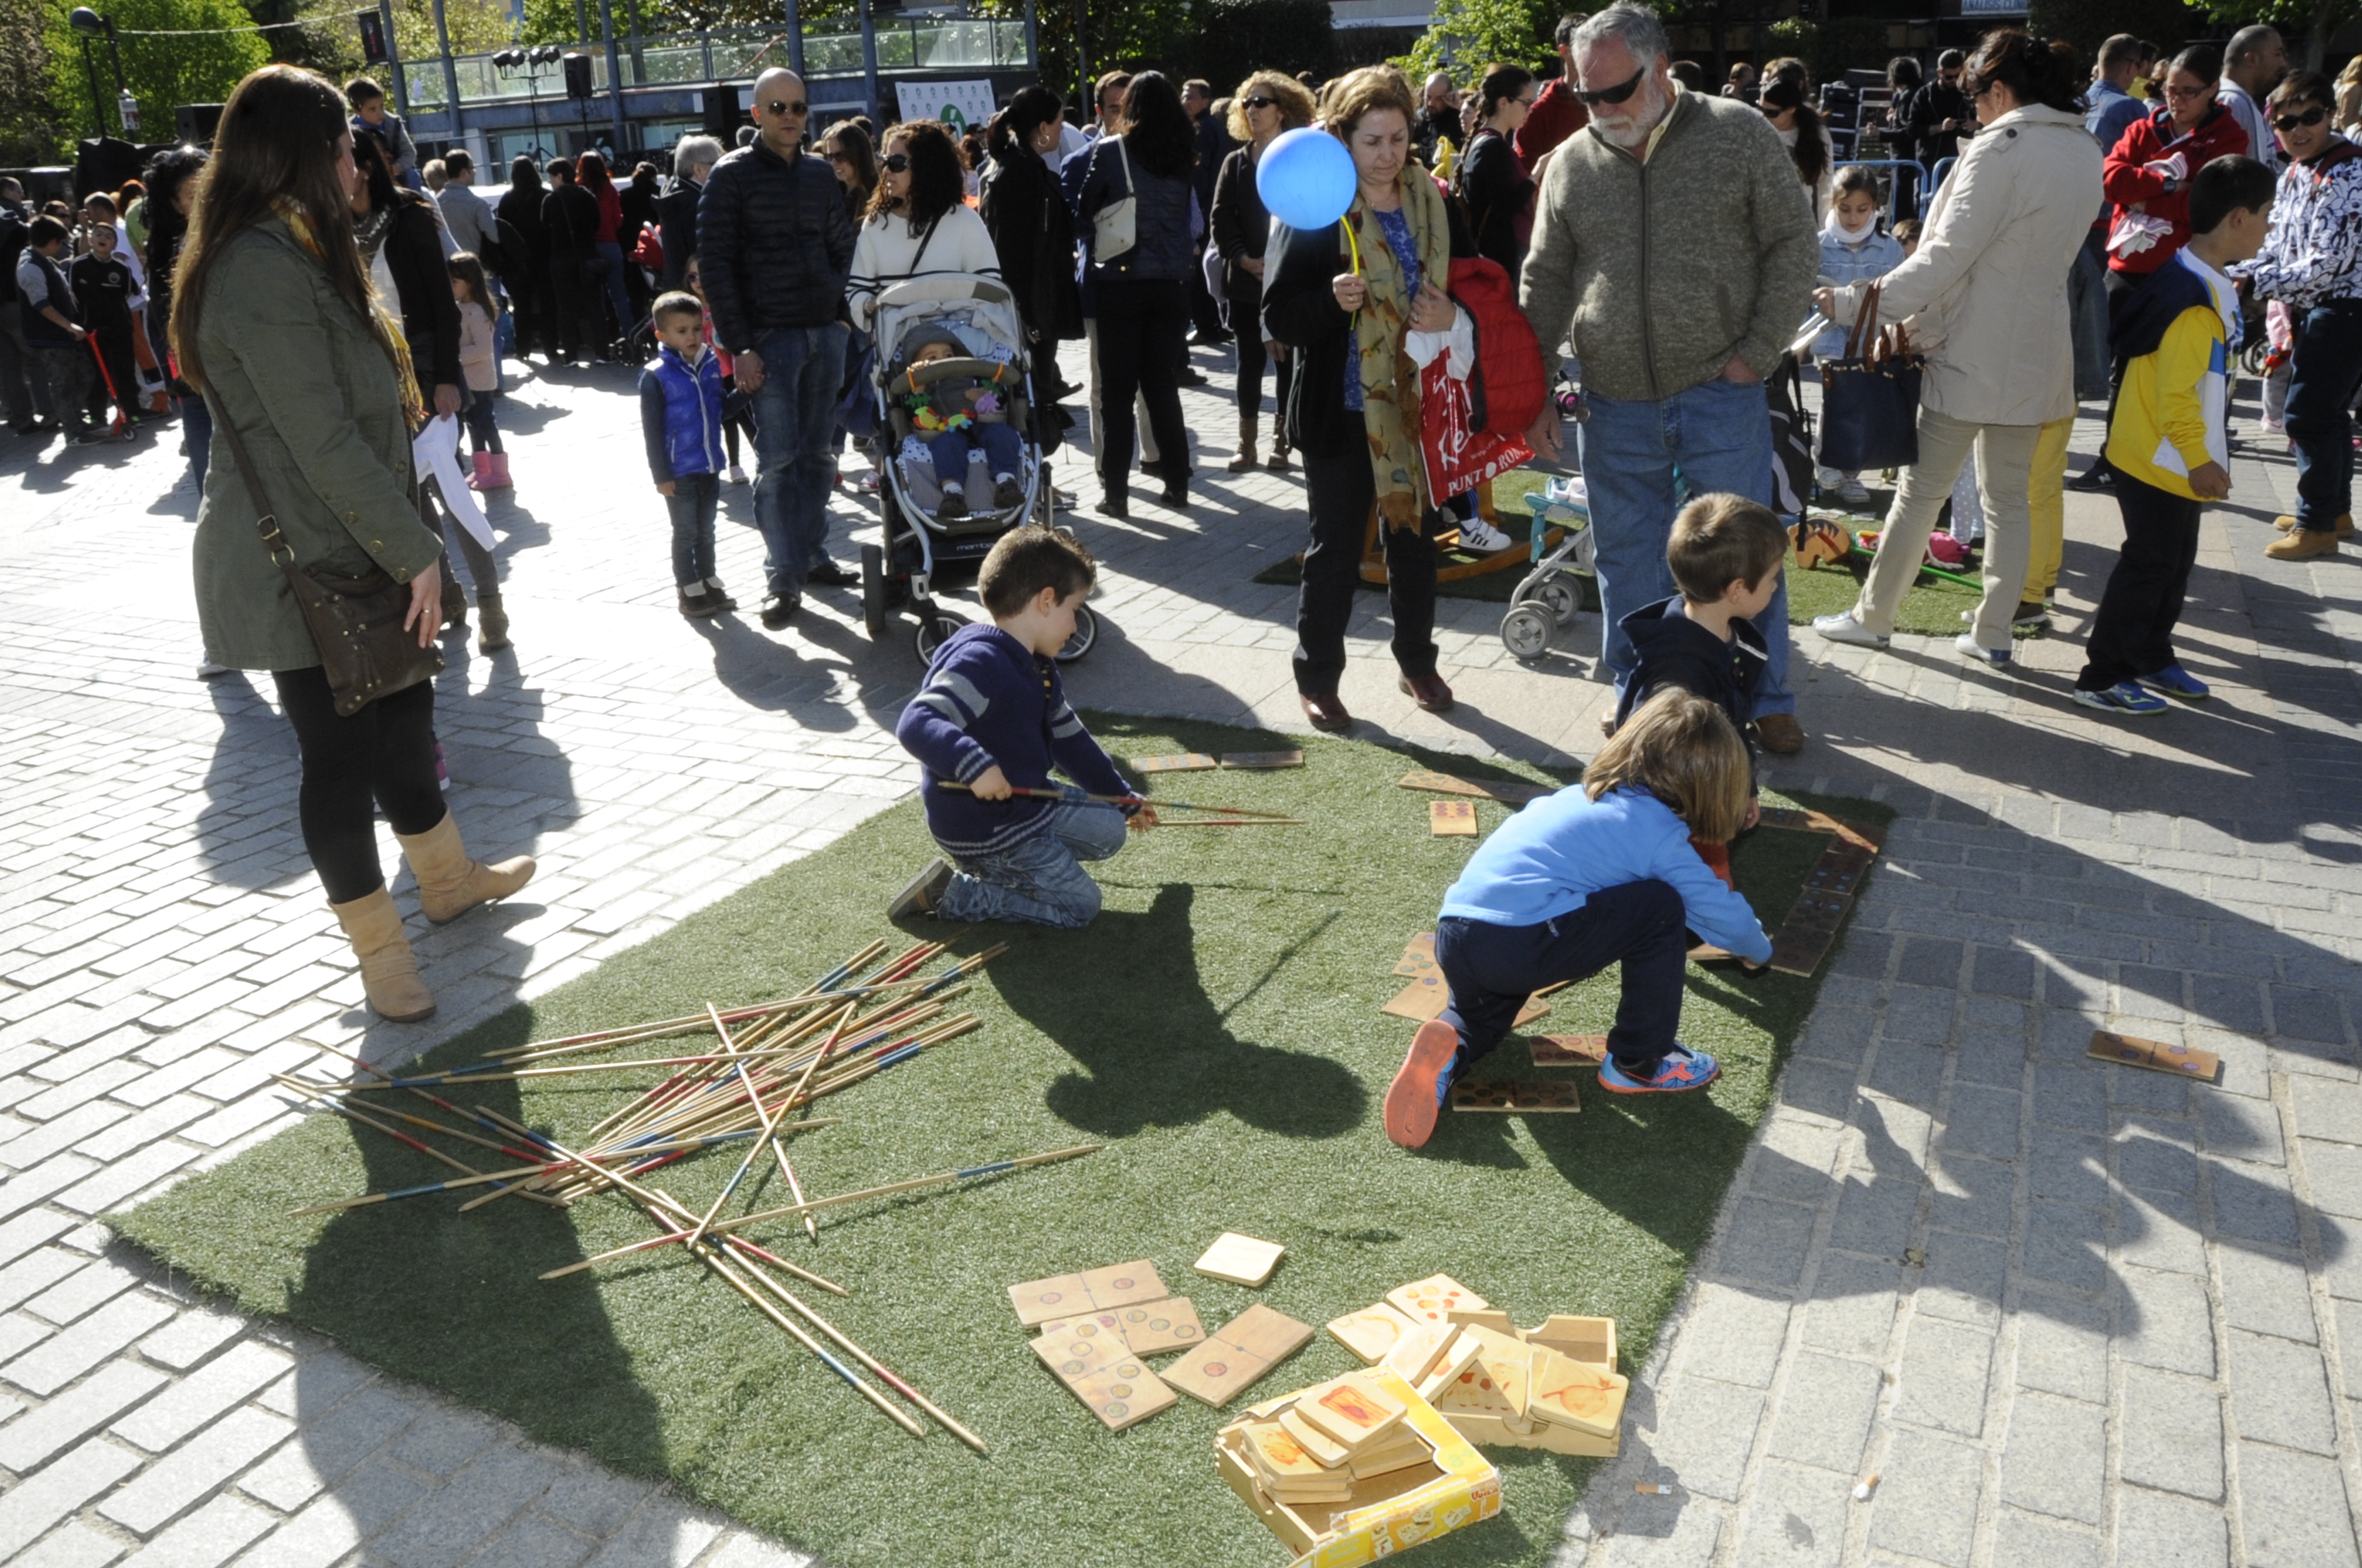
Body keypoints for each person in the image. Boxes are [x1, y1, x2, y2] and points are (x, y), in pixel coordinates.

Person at [178, 65, 534, 1022]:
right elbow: (320, 438)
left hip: (360, 537)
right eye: (344, 150)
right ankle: (382, 958)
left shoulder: (299, 245)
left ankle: (447, 880)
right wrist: (415, 548)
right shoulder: (257, 266)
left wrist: (403, 538)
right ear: (299, 156)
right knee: (338, 759)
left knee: (407, 723)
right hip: (297, 562)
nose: (357, 168)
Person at [1520, 3, 1817, 753]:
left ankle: (1766, 697)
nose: (1599, 108)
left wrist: (1757, 351)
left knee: (1746, 554)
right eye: (1584, 93)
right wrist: (1535, 387)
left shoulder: (1736, 131)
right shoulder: (1572, 161)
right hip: (1611, 397)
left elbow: (1792, 242)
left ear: (1659, 69)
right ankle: (1640, 693)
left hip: (1722, 390)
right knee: (1626, 556)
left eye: (1614, 91)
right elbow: (1545, 277)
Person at [1811, 30, 2101, 667]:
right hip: (2038, 346)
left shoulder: (2003, 148)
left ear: (1999, 90)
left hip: (1972, 346)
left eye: (1977, 97)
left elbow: (1945, 256)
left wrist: (1859, 302)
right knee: (2008, 498)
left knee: (1922, 493)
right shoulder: (2082, 147)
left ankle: (1874, 617)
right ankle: (1994, 632)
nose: (1974, 111)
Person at [1381, 689, 1767, 1148]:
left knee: (1483, 1016)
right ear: (1713, 786)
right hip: (1520, 942)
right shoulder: (1658, 835)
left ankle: (1450, 1046)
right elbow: (1719, 911)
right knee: (1660, 906)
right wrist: (1759, 950)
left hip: (1458, 931)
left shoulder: (1571, 797)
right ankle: (1638, 1062)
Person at [1263, 65, 1472, 732]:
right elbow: (1278, 314)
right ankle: (1318, 678)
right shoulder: (1317, 203)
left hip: (1418, 401)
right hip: (1342, 408)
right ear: (1342, 140)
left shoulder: (1432, 197)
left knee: (1414, 541)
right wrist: (1330, 302)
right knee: (1334, 550)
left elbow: (1474, 282)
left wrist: (1455, 314)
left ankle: (1417, 662)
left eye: (1398, 138)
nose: (1387, 155)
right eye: (1372, 141)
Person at [2073, 156, 2274, 713]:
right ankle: (2101, 677)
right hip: (2160, 456)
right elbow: (2176, 396)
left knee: (2173, 562)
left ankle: (2150, 655)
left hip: (2168, 454)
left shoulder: (2198, 275)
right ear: (2238, 218)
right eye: (2266, 214)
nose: (2269, 226)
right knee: (2150, 564)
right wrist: (2200, 459)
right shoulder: (2193, 298)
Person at [888, 526, 1153, 927]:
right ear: (1046, 601)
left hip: (1029, 805)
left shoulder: (1037, 664)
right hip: (987, 831)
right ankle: (957, 893)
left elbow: (1070, 739)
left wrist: (1122, 797)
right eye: (1074, 609)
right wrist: (973, 765)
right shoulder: (981, 663)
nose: (1075, 626)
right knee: (1080, 906)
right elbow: (917, 721)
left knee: (1110, 829)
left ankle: (1029, 866)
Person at [699, 67, 857, 629]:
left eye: (798, 107)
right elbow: (715, 266)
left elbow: (842, 245)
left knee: (819, 457)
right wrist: (740, 345)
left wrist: (840, 316)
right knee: (778, 461)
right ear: (756, 114)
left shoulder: (818, 174)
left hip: (824, 333)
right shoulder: (730, 175)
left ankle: (812, 555)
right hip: (769, 340)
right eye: (778, 107)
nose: (790, 116)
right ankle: (783, 578)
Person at [1610, 496, 1784, 893]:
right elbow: (1664, 760)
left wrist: (1744, 787)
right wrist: (1714, 806)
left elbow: (1734, 724)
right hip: (1681, 800)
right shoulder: (1679, 671)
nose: (1776, 585)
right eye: (1773, 577)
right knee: (1705, 879)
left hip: (1704, 787)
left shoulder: (1723, 637)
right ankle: (1708, 917)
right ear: (1737, 589)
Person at [2242, 72, 2362, 561]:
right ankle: (2334, 512)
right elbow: (2277, 242)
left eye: (2310, 117)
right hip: (2317, 305)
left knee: (2308, 414)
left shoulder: (2348, 171)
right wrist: (2239, 268)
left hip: (2346, 305)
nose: (2299, 130)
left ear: (2331, 114)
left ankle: (2316, 525)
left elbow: (2329, 262)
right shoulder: (2294, 171)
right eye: (2286, 122)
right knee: (2328, 413)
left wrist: (2256, 281)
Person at [1072, 70, 1200, 518]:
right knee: (1162, 385)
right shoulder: (1183, 153)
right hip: (1172, 282)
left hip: (1120, 282)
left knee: (1117, 393)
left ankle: (1116, 494)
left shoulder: (1112, 150)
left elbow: (1083, 212)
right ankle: (1178, 483)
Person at [1212, 71, 1317, 472]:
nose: (1252, 110)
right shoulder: (1235, 163)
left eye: (1261, 102)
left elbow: (1309, 217)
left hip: (1288, 282)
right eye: (1247, 103)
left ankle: (1282, 441)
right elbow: (1221, 219)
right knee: (1248, 365)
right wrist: (1243, 259)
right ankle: (1246, 444)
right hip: (1245, 282)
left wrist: (1282, 264)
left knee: (1286, 363)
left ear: (1283, 110)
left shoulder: (1297, 158)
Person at [2102, 48, 2248, 293]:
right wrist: (2168, 185)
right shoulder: (2141, 130)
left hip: (2185, 273)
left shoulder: (2229, 138)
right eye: (2170, 90)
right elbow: (2110, 181)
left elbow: (2208, 205)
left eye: (2189, 92)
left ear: (2212, 88)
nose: (2176, 100)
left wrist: (2143, 202)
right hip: (2124, 269)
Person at [848, 119, 1003, 328]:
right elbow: (857, 290)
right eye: (884, 161)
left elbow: (991, 291)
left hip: (957, 343)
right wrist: (872, 305)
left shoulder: (964, 221)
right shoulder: (876, 223)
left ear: (925, 166)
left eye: (896, 162)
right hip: (899, 344)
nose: (886, 171)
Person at [1811, 167, 1906, 506]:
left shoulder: (1889, 249)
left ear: (1875, 208)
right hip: (1830, 338)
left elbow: (1898, 297)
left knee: (1863, 404)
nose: (1853, 218)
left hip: (1871, 341)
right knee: (1835, 399)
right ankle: (1826, 465)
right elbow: (1805, 295)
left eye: (1861, 209)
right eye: (1845, 209)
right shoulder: (1819, 244)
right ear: (1832, 205)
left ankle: (1850, 472)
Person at [641, 290, 739, 616]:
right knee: (686, 532)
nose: (692, 336)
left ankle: (708, 579)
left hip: (709, 464)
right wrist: (661, 475)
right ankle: (687, 588)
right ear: (662, 336)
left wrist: (746, 392)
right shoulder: (656, 375)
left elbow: (721, 411)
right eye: (682, 331)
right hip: (678, 470)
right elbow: (652, 431)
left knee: (706, 530)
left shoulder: (710, 364)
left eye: (697, 328)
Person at [980, 87, 1082, 388]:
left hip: (1035, 300)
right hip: (1031, 303)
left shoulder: (1022, 166)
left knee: (1037, 386)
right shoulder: (1020, 172)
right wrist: (1024, 312)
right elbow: (1012, 248)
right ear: (1043, 128)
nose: (1062, 128)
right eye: (1059, 122)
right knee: (1032, 391)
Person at [891, 327, 1026, 517]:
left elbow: (999, 396)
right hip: (942, 431)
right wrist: (918, 388)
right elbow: (914, 412)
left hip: (978, 422)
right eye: (932, 357)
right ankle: (953, 494)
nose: (943, 361)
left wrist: (985, 394)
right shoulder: (919, 384)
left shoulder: (971, 374)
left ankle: (1006, 483)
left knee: (1003, 434)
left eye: (948, 355)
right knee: (947, 445)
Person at [141, 147, 210, 481]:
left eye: (212, 186)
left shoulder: (243, 233)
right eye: (194, 193)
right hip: (198, 376)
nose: (206, 199)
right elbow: (164, 315)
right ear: (175, 203)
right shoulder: (167, 249)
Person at [16, 216, 102, 445]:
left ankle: (77, 420)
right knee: (62, 385)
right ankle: (73, 432)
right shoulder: (30, 266)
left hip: (63, 335)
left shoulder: (44, 261)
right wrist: (68, 325)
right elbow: (41, 304)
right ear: (53, 241)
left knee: (85, 375)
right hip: (51, 337)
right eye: (60, 242)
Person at [1457, 64, 1539, 280]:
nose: (1530, 110)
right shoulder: (1494, 147)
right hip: (1499, 258)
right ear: (1503, 103)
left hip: (1492, 255)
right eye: (1526, 103)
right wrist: (1536, 175)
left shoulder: (1484, 140)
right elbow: (1504, 210)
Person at [70, 221, 139, 429]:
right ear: (91, 239)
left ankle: (131, 414)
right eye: (98, 234)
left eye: (109, 237)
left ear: (115, 245)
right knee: (97, 374)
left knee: (125, 371)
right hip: (92, 330)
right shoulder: (78, 266)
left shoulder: (121, 269)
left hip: (120, 327)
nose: (103, 239)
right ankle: (97, 417)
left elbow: (129, 293)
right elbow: (73, 296)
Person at [1183, 77, 1233, 348]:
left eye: (1191, 96)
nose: (1185, 101)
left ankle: (1207, 326)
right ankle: (1215, 324)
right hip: (1207, 207)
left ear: (1205, 101)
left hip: (1201, 209)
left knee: (1200, 272)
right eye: (1183, 95)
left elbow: (1200, 175)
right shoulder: (1210, 126)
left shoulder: (1203, 129)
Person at [451, 250, 507, 492]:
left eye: (454, 281)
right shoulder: (460, 308)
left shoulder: (478, 312)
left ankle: (500, 472)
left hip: (480, 380)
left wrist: (455, 357)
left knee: (486, 423)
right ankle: (481, 470)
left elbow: (483, 348)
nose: (450, 286)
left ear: (470, 282)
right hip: (467, 380)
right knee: (473, 424)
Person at [541, 159, 602, 364]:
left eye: (551, 177)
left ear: (559, 177)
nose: (550, 182)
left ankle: (571, 355)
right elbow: (596, 224)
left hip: (561, 257)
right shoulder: (587, 196)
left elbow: (545, 227)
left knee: (566, 308)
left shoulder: (550, 200)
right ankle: (602, 352)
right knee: (595, 306)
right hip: (588, 255)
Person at [1519, 14, 1596, 171]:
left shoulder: (1610, 102)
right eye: (1585, 45)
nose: (1593, 53)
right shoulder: (1539, 114)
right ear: (1564, 51)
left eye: (1596, 45)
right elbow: (1528, 175)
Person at [575, 152, 634, 347]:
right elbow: (618, 221)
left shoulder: (578, 188)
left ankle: (599, 342)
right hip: (610, 245)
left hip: (589, 249)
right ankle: (629, 337)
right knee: (620, 296)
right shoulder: (609, 189)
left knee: (594, 298)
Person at [497, 156, 553, 362]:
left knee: (521, 307)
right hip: (543, 257)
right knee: (548, 304)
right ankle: (551, 347)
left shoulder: (507, 200)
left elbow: (502, 231)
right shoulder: (545, 196)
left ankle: (523, 349)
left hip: (517, 261)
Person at [1760, 76, 1833, 221]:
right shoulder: (1756, 131)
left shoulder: (1817, 134)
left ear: (1791, 109)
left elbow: (1825, 184)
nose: (1763, 116)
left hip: (1801, 219)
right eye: (1760, 108)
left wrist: (1823, 225)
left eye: (1771, 112)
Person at [2218, 25, 2288, 174]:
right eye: (2278, 54)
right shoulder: (2231, 102)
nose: (2283, 63)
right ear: (2252, 59)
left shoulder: (2238, 100)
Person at [658, 135, 721, 294]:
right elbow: (706, 254)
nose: (722, 169)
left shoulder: (676, 197)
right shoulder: (696, 203)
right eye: (717, 164)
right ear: (698, 169)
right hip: (697, 290)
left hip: (680, 287)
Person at [346, 77, 418, 187]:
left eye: (381, 106)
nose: (380, 113)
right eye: (372, 109)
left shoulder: (394, 124)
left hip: (395, 172)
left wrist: (397, 167)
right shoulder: (350, 129)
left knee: (412, 175)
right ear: (357, 110)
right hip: (367, 175)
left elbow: (409, 153)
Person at [1910, 50, 1973, 172]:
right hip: (1932, 162)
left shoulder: (1968, 92)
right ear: (1939, 72)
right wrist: (1940, 128)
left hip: (1963, 159)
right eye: (1949, 77)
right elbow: (1911, 129)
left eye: (1958, 76)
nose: (1954, 80)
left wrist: (1975, 124)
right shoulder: (1925, 94)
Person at [436, 149, 496, 258]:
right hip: (474, 263)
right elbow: (495, 237)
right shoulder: (477, 204)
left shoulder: (435, 204)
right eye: (472, 168)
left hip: (445, 264)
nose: (474, 172)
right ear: (464, 173)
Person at [820, 120, 880, 224]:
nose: (833, 163)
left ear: (857, 154)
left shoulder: (878, 197)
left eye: (839, 155)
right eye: (829, 156)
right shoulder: (831, 195)